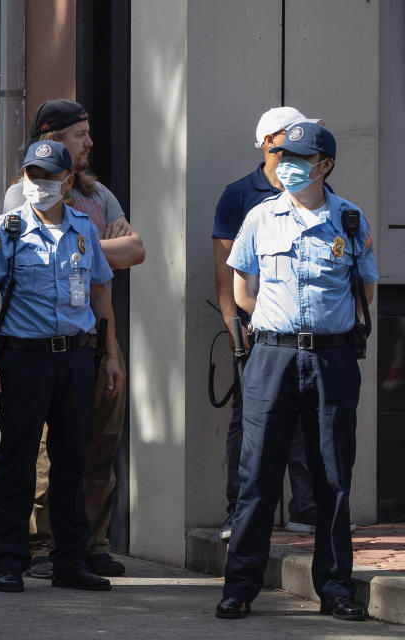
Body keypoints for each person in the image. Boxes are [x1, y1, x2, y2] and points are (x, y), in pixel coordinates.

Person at [216, 122, 376, 621]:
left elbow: (364, 291)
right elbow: (244, 292)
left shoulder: (350, 219)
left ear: (325, 165)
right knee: (257, 475)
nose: (285, 164)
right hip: (272, 358)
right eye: (282, 154)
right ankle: (239, 587)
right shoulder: (261, 217)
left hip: (332, 359)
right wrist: (278, 327)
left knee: (333, 475)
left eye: (298, 158)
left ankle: (335, 589)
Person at [2, 99, 144, 579]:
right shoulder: (22, 194)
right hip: (38, 346)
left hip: (93, 339)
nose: (89, 143)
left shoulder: (99, 196)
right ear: (53, 137)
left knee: (98, 444)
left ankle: (90, 543)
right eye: (80, 134)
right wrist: (90, 241)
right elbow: (31, 246)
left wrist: (80, 241)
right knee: (48, 453)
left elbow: (137, 250)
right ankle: (42, 544)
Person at [0, 139, 123, 593]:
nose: (39, 184)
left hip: (76, 358)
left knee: (72, 462)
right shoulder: (8, 229)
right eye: (31, 176)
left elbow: (99, 295)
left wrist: (111, 354)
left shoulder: (82, 229)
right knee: (17, 462)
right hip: (24, 359)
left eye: (48, 177)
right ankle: (10, 560)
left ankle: (70, 560)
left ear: (68, 180)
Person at [213, 106, 321, 542]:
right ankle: (237, 511)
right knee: (249, 419)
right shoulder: (240, 195)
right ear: (269, 142)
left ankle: (307, 510)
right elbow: (225, 267)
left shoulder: (315, 187)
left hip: (305, 330)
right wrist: (234, 323)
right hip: (256, 330)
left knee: (306, 417)